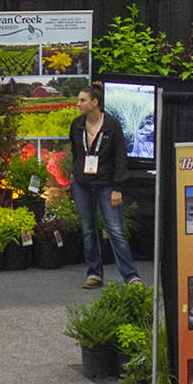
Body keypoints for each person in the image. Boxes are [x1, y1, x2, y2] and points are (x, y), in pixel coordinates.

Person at [71, 85, 133, 289]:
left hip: (107, 186)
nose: (78, 104)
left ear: (95, 102)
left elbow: (120, 157)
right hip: (82, 185)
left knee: (115, 231)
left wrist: (118, 188)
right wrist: (76, 174)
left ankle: (131, 276)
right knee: (89, 230)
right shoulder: (77, 125)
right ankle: (94, 274)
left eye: (82, 100)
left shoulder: (112, 125)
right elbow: (76, 152)